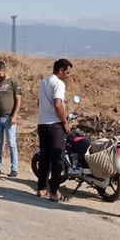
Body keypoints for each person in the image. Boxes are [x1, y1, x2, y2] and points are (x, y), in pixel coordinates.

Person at [36, 58, 73, 202]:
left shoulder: (43, 82)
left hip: (42, 124)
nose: (69, 75)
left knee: (44, 158)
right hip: (54, 125)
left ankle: (41, 189)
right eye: (67, 72)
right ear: (61, 71)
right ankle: (54, 192)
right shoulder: (59, 83)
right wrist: (65, 122)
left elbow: (39, 102)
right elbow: (58, 104)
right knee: (58, 159)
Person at [0, 61, 22, 178]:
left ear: (4, 70)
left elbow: (18, 100)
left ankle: (14, 169)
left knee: (12, 144)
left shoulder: (13, 82)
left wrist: (14, 115)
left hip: (9, 118)